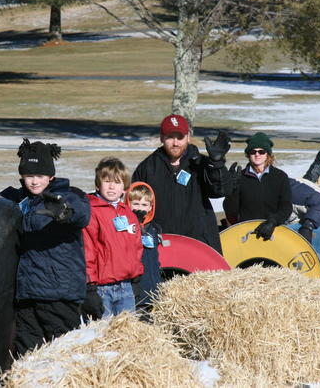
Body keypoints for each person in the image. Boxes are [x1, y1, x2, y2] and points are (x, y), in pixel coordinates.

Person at [0, 138, 91, 357]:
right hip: (28, 294)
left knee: (64, 353)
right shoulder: (18, 199)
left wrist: (65, 212)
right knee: (27, 353)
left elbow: (82, 214)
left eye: (40, 176)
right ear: (22, 176)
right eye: (29, 176)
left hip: (58, 293)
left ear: (51, 176)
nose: (35, 182)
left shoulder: (68, 196)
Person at [132, 114, 233, 253]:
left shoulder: (200, 164)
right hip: (162, 244)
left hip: (199, 242)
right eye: (170, 137)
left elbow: (221, 190)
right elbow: (134, 204)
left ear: (188, 137)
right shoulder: (147, 168)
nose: (175, 143)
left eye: (180, 137)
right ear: (161, 137)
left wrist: (217, 165)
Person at [83, 157, 144, 318]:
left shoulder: (128, 213)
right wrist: (90, 286)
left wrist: (136, 277)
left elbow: (136, 247)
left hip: (126, 286)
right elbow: (88, 250)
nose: (111, 186)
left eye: (117, 182)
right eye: (106, 181)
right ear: (98, 184)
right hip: (102, 289)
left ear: (124, 187)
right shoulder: (92, 211)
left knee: (126, 335)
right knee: (102, 335)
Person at [223, 132, 292, 241]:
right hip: (246, 234)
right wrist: (232, 191)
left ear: (267, 154)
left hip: (274, 232)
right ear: (248, 154)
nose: (257, 154)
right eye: (253, 151)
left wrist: (273, 221)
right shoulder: (239, 177)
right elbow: (230, 211)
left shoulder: (280, 177)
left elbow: (286, 207)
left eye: (261, 151)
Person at [124, 181, 162, 313]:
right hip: (136, 288)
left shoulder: (153, 228)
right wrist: (136, 224)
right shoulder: (125, 226)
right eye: (136, 204)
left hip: (153, 287)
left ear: (151, 207)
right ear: (128, 204)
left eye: (144, 205)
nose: (140, 208)